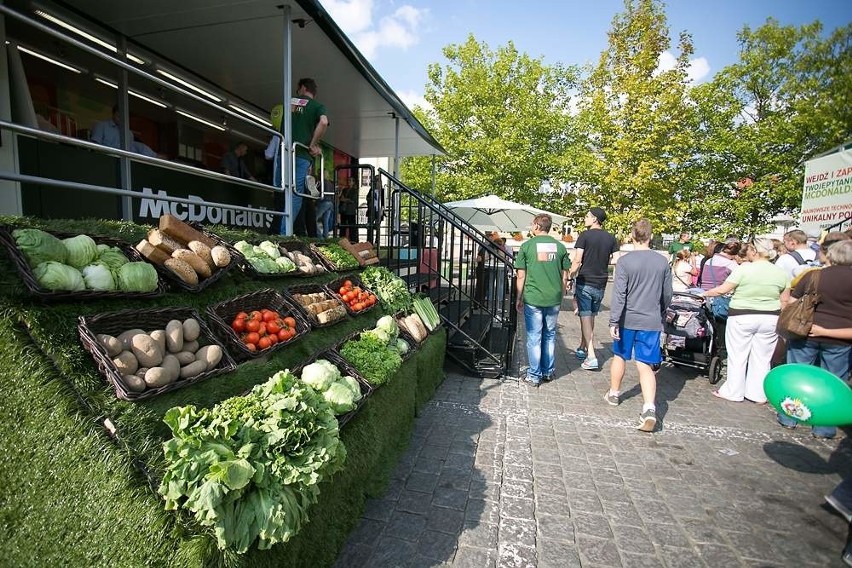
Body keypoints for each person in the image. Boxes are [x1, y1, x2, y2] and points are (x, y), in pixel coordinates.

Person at [777, 236, 852, 439]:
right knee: (833, 381)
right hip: (841, 339)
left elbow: (792, 302)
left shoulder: (813, 276)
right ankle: (824, 426)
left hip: (806, 332)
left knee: (798, 374)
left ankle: (789, 417)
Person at [702, 238, 790, 403]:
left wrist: (704, 294)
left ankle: (733, 391)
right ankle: (758, 393)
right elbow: (784, 300)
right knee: (763, 358)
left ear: (755, 251)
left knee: (738, 355)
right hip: (770, 317)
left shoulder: (744, 269)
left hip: (742, 315)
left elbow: (723, 289)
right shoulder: (780, 272)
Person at [604, 219, 672, 432]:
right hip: (650, 319)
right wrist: (660, 311)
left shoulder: (625, 262)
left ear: (632, 236)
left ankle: (614, 393)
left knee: (620, 356)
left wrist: (614, 320)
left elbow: (619, 295)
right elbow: (667, 294)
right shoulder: (662, 262)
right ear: (650, 237)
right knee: (645, 364)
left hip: (627, 319)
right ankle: (649, 408)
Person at [515, 214, 571, 387]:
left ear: (538, 226)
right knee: (550, 335)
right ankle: (547, 371)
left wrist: (519, 297)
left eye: (532, 224)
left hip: (534, 296)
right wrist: (561, 296)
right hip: (553, 297)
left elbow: (521, 275)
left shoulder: (527, 246)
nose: (531, 227)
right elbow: (565, 276)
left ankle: (534, 374)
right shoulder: (560, 247)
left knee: (534, 336)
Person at [269, 78, 329, 235]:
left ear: (302, 88)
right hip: (302, 154)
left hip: (286, 151)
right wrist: (313, 144)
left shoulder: (292, 102)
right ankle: (284, 232)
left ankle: (279, 231)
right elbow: (323, 122)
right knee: (296, 195)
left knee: (281, 189)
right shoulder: (318, 106)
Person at [568, 207, 619, 371]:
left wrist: (569, 276)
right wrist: (602, 260)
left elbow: (577, 259)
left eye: (587, 216)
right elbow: (616, 260)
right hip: (601, 281)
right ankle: (583, 347)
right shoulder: (611, 238)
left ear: (595, 219)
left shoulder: (585, 236)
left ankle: (591, 355)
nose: (585, 218)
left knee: (585, 316)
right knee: (591, 315)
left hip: (585, 279)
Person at [90, 105, 158, 157]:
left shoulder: (129, 133)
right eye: (118, 114)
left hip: (124, 164)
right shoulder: (101, 126)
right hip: (105, 159)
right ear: (113, 114)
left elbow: (131, 150)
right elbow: (94, 148)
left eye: (123, 115)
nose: (121, 117)